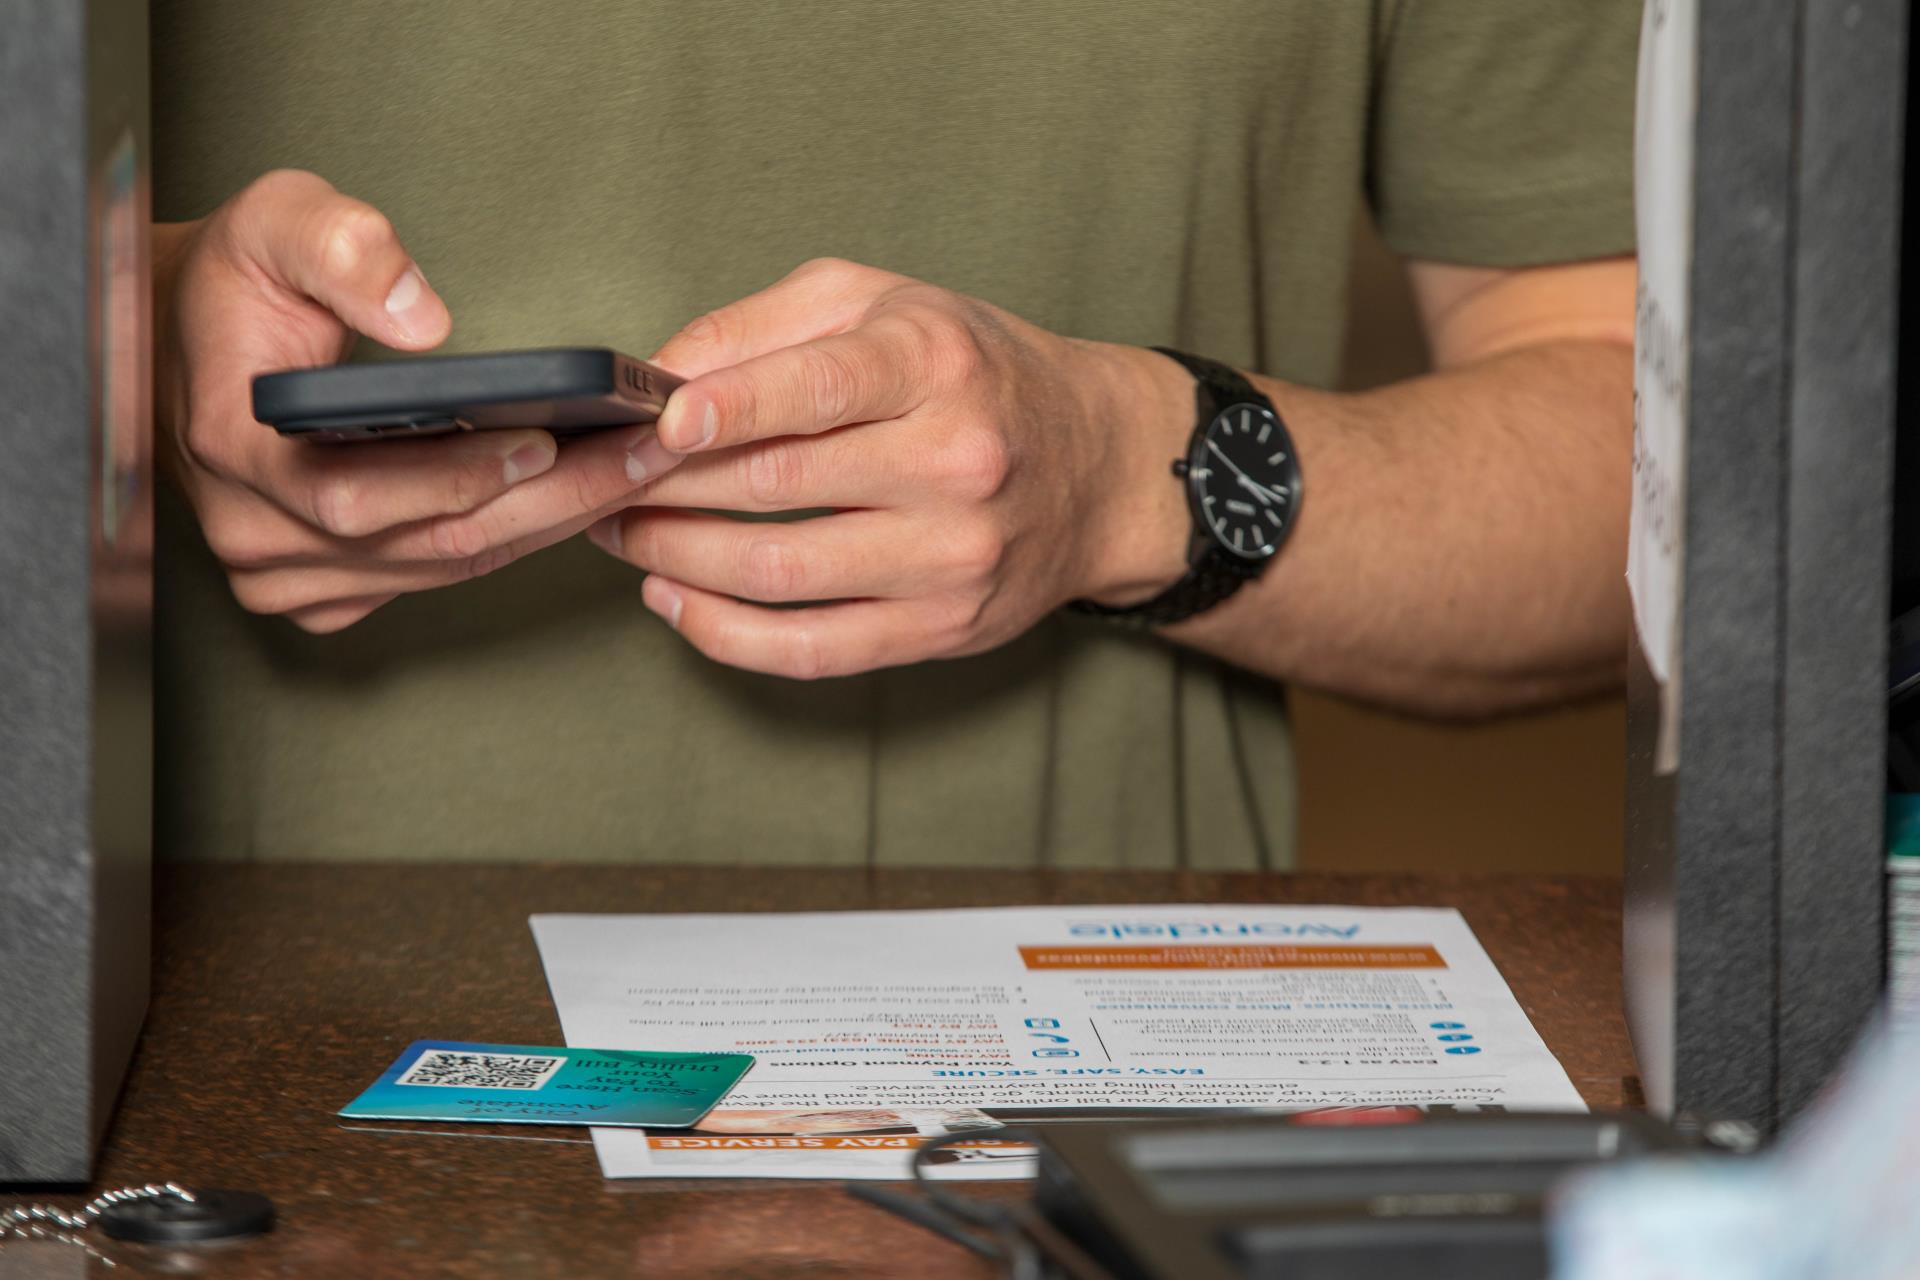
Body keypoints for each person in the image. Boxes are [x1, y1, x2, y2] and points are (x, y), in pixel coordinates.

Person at [150, 0, 1639, 869]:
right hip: (238, 1074)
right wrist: (129, 326)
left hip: (1087, 1093)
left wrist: (1128, 471)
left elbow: (1664, 481)